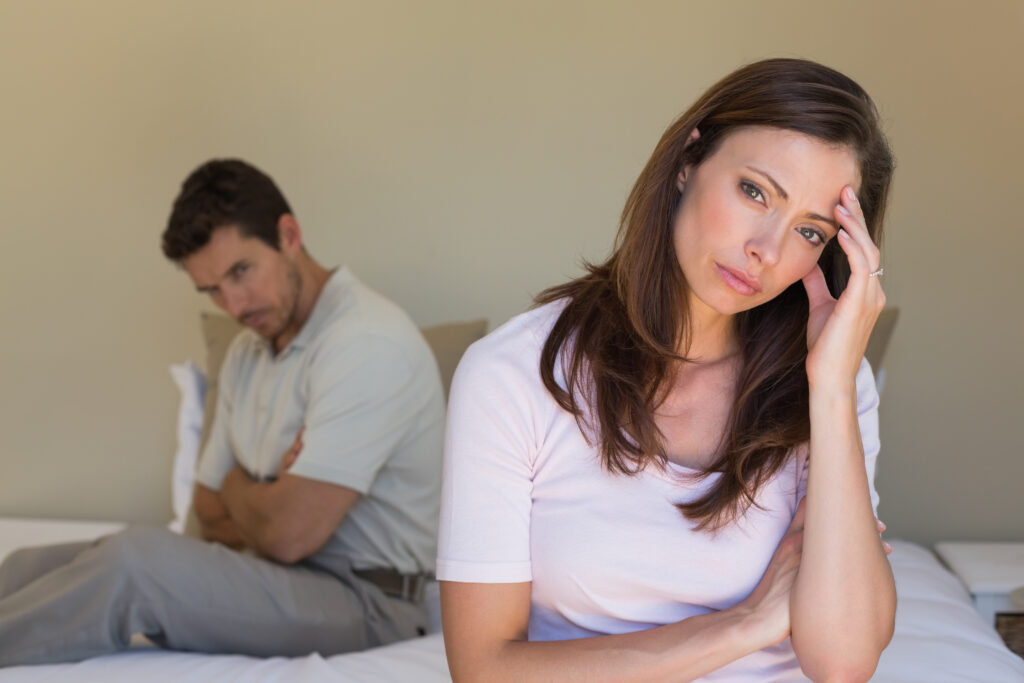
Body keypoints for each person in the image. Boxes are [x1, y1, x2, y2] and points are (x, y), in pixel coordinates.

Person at [438, 58, 897, 682]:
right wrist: (749, 623)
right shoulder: (513, 374)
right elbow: (483, 669)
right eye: (755, 191)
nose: (767, 248)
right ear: (689, 161)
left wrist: (833, 391)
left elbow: (843, 660)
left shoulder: (830, 383)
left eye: (811, 232)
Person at [0, 159, 446, 665]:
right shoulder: (246, 353)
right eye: (211, 289)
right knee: (27, 565)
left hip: (367, 601)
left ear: (289, 235)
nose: (233, 305)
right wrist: (272, 497)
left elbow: (287, 533)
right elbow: (209, 514)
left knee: (133, 567)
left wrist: (240, 488)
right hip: (276, 571)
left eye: (241, 272)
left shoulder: (366, 342)